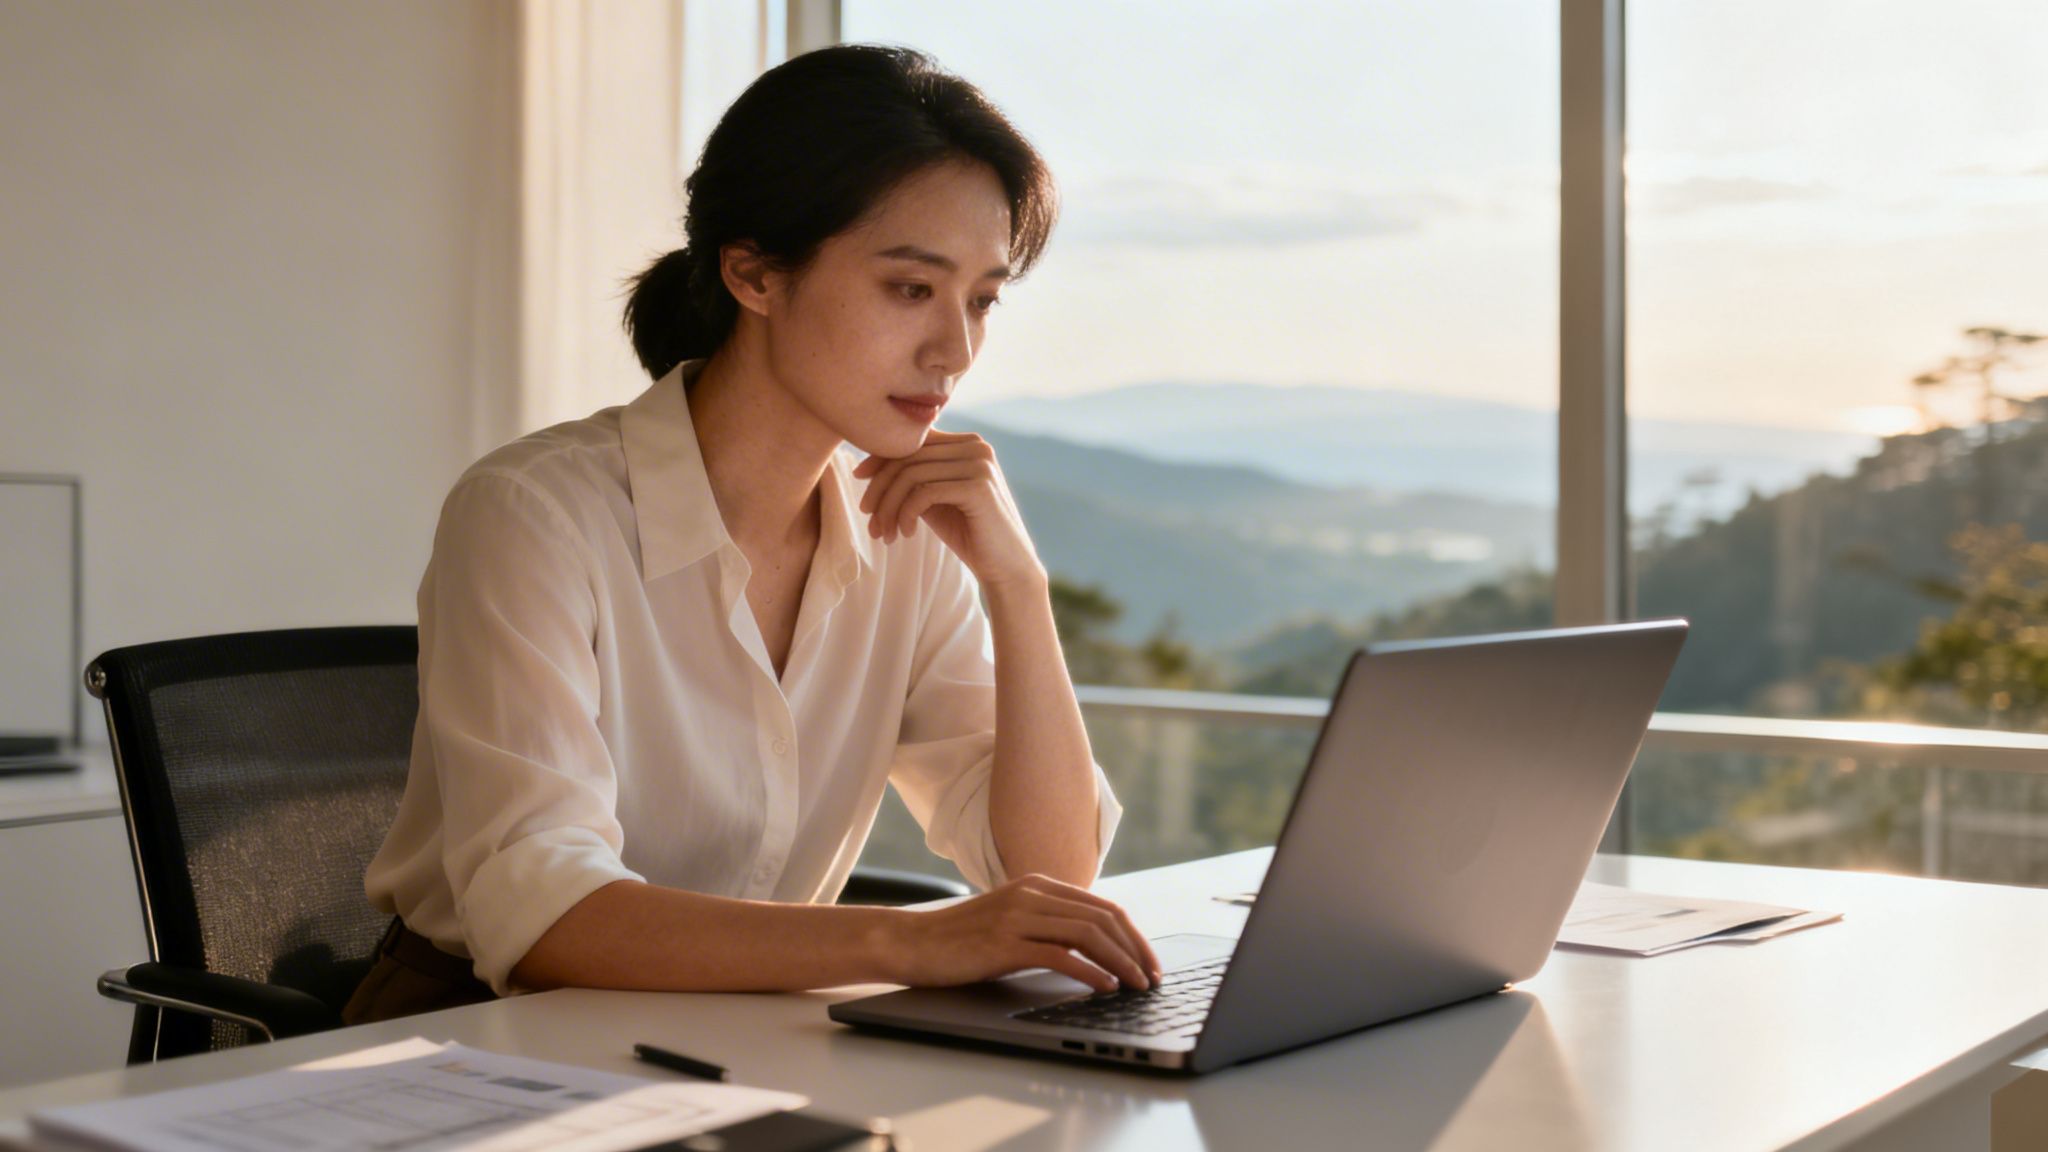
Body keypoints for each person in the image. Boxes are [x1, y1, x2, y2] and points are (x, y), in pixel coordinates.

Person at [344, 44, 1159, 1024]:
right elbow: (544, 915)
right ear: (754, 274)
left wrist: (1016, 590)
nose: (955, 350)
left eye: (980, 300)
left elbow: (1046, 882)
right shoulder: (534, 513)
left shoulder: (907, 532)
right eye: (910, 289)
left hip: (750, 1027)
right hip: (474, 1034)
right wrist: (909, 942)